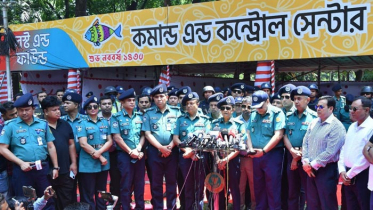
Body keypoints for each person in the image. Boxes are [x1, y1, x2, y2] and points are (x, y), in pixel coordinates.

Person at [0, 93, 58, 210]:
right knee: (24, 202)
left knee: (48, 199)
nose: (24, 113)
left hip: (42, 168)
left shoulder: (42, 124)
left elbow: (51, 146)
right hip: (22, 171)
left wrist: (56, 167)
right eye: (20, 110)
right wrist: (21, 163)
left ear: (33, 109)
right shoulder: (10, 126)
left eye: (27, 109)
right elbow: (2, 148)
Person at [302, 95, 346, 210]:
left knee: (327, 203)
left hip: (327, 170)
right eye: (317, 106)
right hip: (309, 169)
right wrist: (305, 161)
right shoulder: (314, 122)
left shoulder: (337, 126)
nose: (318, 108)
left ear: (331, 109)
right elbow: (305, 142)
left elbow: (330, 151)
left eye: (321, 106)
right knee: (312, 203)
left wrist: (311, 165)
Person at [142, 84, 181, 209]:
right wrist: (160, 147)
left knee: (171, 182)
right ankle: (157, 207)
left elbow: (179, 132)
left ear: (167, 97)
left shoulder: (176, 112)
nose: (159, 99)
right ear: (153, 99)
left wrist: (169, 147)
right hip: (155, 152)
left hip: (172, 151)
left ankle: (171, 207)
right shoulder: (148, 113)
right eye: (156, 97)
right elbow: (147, 134)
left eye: (162, 96)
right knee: (156, 183)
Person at [247, 90, 286, 210]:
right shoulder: (254, 114)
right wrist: (250, 148)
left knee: (273, 187)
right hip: (256, 155)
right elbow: (248, 132)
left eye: (261, 106)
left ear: (267, 101)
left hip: (272, 155)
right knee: (258, 187)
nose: (258, 109)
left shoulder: (277, 113)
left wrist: (264, 151)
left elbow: (278, 135)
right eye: (256, 107)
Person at [172, 92, 210, 210]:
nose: (189, 106)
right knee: (188, 187)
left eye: (192, 103)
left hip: (200, 156)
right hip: (185, 157)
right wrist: (187, 150)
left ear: (198, 104)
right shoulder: (180, 119)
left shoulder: (205, 120)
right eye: (187, 104)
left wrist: (194, 151)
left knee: (199, 187)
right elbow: (175, 138)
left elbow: (207, 137)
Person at [111, 89, 145, 210]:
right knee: (125, 184)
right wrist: (130, 152)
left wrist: (139, 149)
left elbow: (143, 134)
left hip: (139, 154)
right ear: (122, 103)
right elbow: (117, 137)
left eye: (133, 100)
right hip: (124, 155)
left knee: (140, 184)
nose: (132, 102)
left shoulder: (140, 116)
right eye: (128, 100)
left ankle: (140, 207)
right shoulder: (116, 117)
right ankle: (126, 207)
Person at [284, 86, 317, 210]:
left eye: (299, 98)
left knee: (308, 191)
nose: (296, 101)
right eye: (295, 99)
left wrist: (297, 158)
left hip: (306, 158)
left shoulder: (314, 117)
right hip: (291, 155)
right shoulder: (289, 116)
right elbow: (285, 135)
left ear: (308, 100)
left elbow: (311, 140)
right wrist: (293, 153)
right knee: (292, 191)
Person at [77, 96, 112, 210]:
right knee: (88, 192)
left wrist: (100, 154)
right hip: (88, 161)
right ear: (86, 110)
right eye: (90, 107)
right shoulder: (82, 123)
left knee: (101, 190)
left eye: (95, 106)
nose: (93, 109)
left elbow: (110, 141)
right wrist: (98, 155)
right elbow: (83, 143)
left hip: (103, 160)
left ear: (98, 108)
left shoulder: (105, 122)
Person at [41, 96, 77, 209]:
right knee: (50, 200)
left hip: (65, 169)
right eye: (54, 110)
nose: (58, 112)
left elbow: (71, 144)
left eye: (58, 109)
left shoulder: (65, 124)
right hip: (47, 170)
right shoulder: (40, 126)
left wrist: (74, 163)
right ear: (45, 111)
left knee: (66, 199)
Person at [338, 96, 372, 210]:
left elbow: (367, 157)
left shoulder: (371, 127)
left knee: (363, 205)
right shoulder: (352, 126)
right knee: (349, 206)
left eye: (355, 109)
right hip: (347, 174)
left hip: (362, 175)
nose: (351, 111)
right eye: (350, 108)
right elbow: (344, 149)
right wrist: (342, 169)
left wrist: (350, 174)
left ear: (367, 110)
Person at [213, 96, 246, 209]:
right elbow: (211, 143)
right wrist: (218, 159)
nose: (225, 110)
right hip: (217, 160)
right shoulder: (214, 124)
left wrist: (226, 160)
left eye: (228, 108)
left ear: (232, 109)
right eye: (223, 108)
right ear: (220, 110)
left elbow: (240, 146)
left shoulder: (239, 124)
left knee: (234, 187)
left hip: (233, 160)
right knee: (219, 186)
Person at [60, 92, 86, 203]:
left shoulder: (86, 119)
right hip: (68, 159)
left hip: (85, 157)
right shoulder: (60, 121)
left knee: (86, 187)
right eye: (64, 103)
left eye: (67, 103)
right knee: (70, 188)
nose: (64, 105)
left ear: (76, 105)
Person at [237, 96, 256, 210]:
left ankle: (254, 207)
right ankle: (240, 206)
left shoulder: (256, 119)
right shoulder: (236, 120)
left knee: (254, 185)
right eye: (244, 106)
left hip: (253, 157)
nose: (246, 109)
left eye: (249, 107)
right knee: (241, 185)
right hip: (240, 156)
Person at [0, 102, 18, 198]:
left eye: (16, 113)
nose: (15, 116)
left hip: (15, 168)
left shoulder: (19, 124)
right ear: (3, 115)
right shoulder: (1, 128)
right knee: (4, 196)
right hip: (3, 169)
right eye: (12, 115)